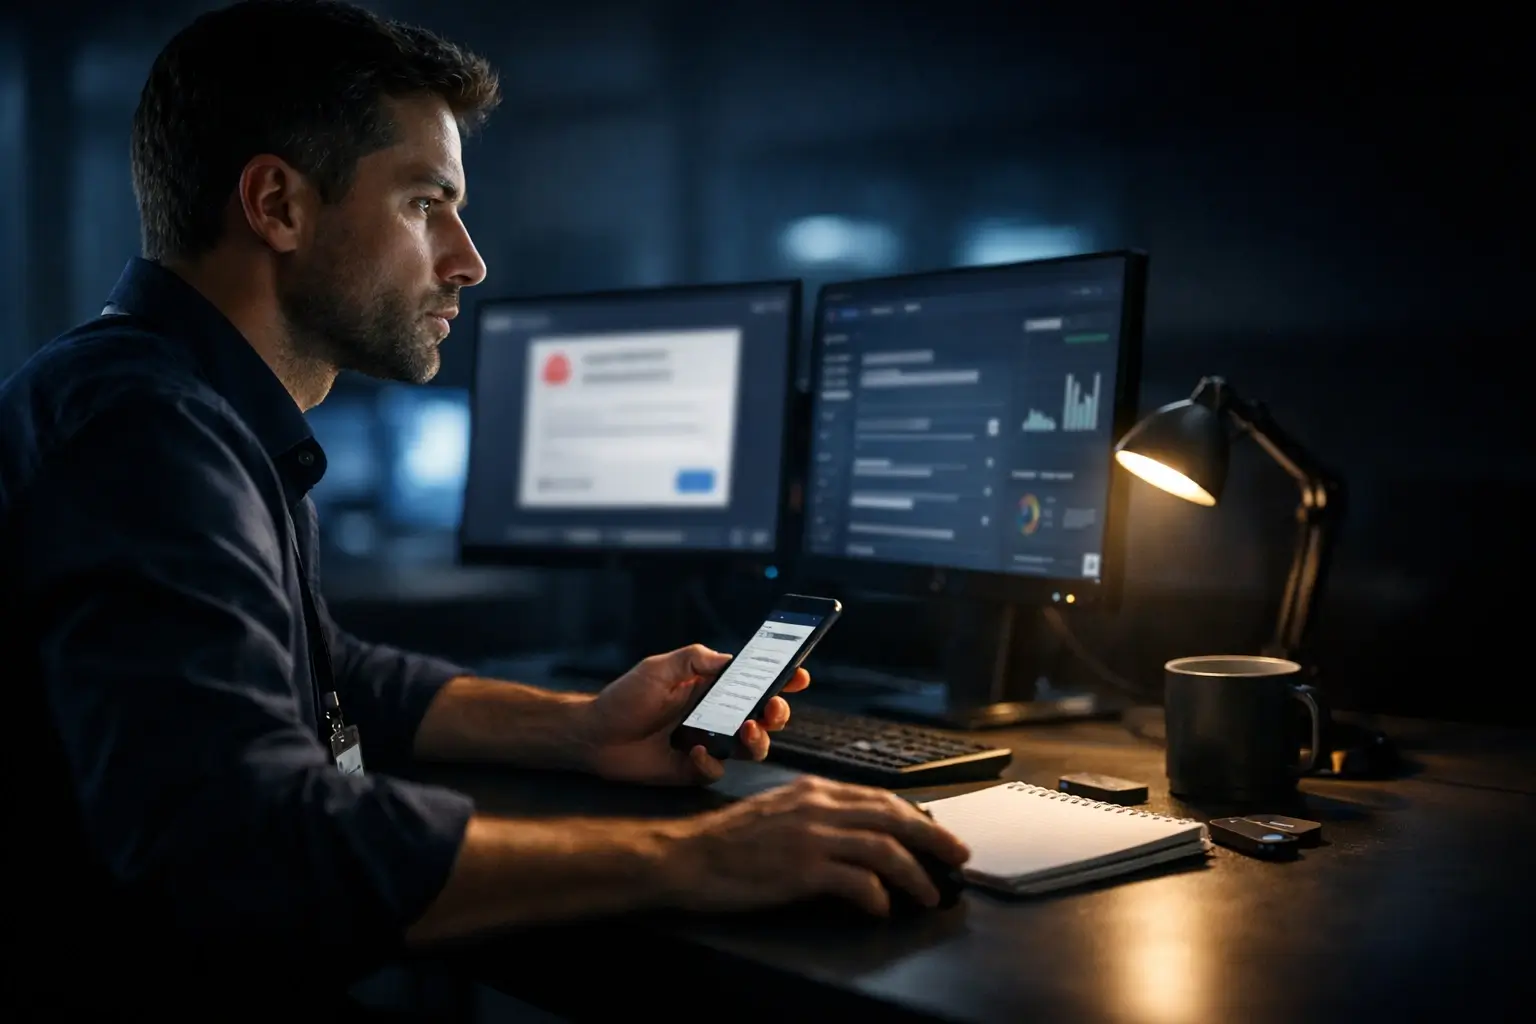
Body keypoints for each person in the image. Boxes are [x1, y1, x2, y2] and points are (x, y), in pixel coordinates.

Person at [0, 0, 969, 1011]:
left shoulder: (170, 401)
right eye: (427, 202)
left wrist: (580, 728)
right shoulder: (146, 431)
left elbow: (326, 669)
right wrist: (697, 855)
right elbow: (246, 847)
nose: (468, 258)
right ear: (278, 205)